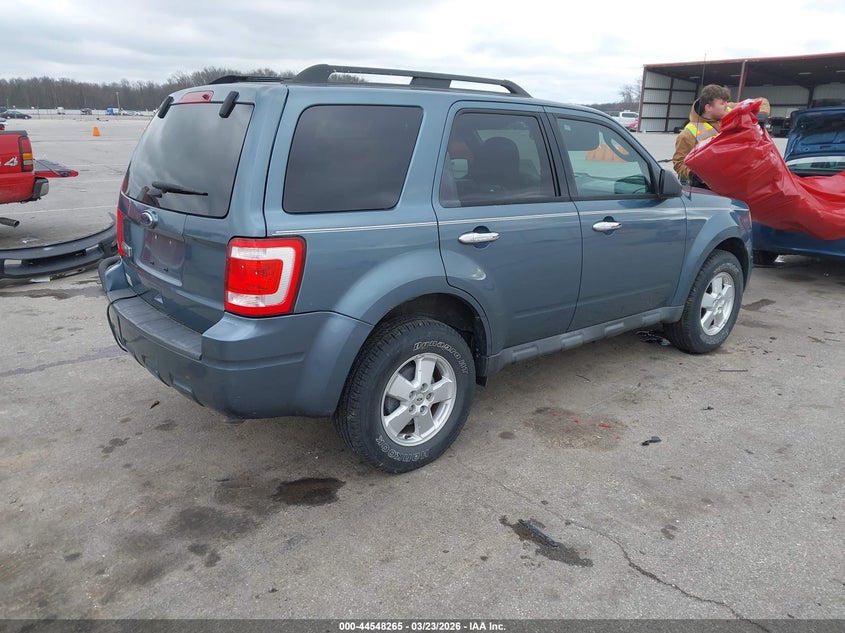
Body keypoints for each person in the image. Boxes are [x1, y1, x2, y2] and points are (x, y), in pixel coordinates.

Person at [672, 84, 770, 187]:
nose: (727, 105)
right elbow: (679, 162)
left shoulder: (728, 109)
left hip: (738, 176)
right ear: (708, 107)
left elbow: (762, 101)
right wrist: (694, 175)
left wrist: (761, 115)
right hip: (710, 186)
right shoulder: (688, 134)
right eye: (722, 103)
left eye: (726, 102)